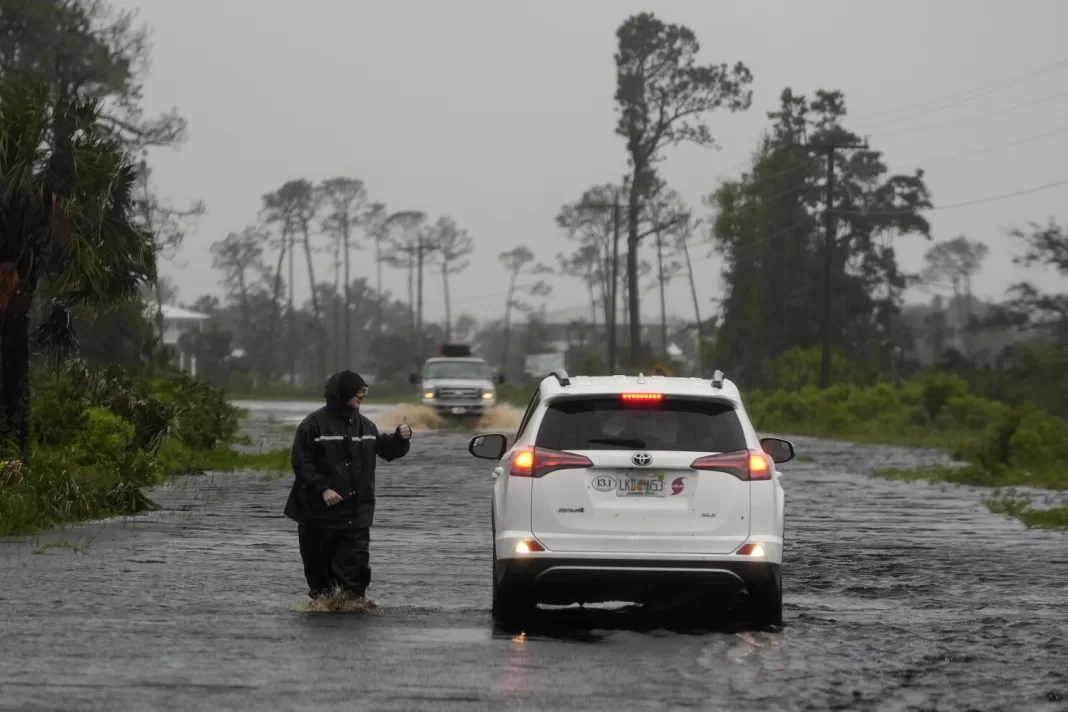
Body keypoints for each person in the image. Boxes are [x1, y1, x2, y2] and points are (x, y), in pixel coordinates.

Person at [284, 370, 412, 600]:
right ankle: (325, 616)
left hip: (356, 516)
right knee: (321, 584)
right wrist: (323, 488)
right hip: (318, 516)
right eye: (358, 392)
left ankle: (352, 613)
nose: (362, 397)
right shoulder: (312, 426)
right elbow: (301, 463)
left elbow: (387, 450)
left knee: (354, 583)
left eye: (364, 392)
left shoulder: (367, 427)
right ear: (342, 394)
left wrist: (400, 440)